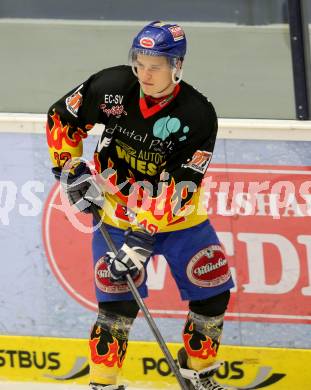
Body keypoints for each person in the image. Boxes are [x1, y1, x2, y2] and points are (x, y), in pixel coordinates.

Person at [46, 21, 234, 390]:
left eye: (156, 65)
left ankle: (199, 372)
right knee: (116, 307)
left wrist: (143, 235)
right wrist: (71, 167)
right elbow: (62, 117)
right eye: (140, 62)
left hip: (182, 221)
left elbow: (183, 184)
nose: (145, 73)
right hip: (116, 213)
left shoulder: (198, 114)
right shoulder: (112, 87)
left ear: (177, 66)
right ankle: (103, 383)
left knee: (212, 294)